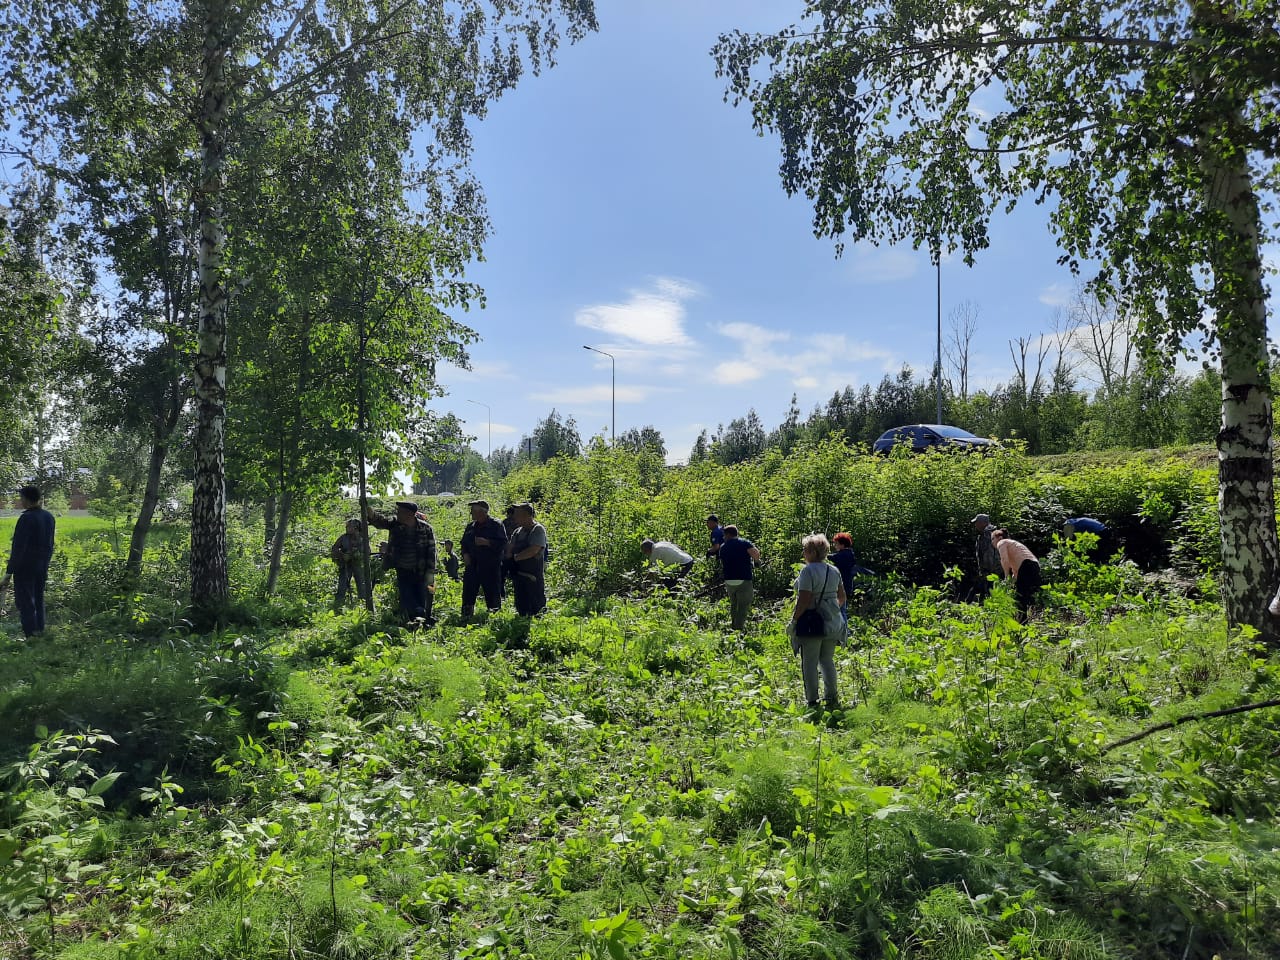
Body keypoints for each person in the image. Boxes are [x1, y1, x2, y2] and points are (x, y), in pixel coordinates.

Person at [788, 533, 846, 711]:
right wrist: (829, 610)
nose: (804, 553)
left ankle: (812, 701)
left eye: (805, 550)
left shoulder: (808, 571)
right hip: (833, 622)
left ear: (813, 552)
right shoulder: (834, 570)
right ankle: (831, 697)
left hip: (811, 624)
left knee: (810, 663)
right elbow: (842, 597)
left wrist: (794, 620)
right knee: (827, 660)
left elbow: (804, 599)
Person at [366, 500, 436, 623]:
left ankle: (424, 620)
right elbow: (380, 521)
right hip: (403, 569)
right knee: (406, 597)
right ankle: (410, 621)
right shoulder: (395, 524)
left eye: (400, 512)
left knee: (424, 595)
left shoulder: (425, 528)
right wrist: (368, 510)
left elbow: (431, 551)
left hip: (421, 570)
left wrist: (430, 571)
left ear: (409, 514)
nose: (397, 514)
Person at [1, 485, 56, 637]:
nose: (20, 501)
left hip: (25, 567)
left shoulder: (26, 518)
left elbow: (19, 547)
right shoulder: (48, 517)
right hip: (42, 565)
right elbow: (50, 545)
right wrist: (45, 563)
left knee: (25, 601)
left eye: (21, 498)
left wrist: (9, 572)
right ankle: (40, 631)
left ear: (26, 499)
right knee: (38, 598)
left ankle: (31, 636)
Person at [460, 499, 507, 617]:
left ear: (482, 512)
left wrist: (487, 542)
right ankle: (466, 617)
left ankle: (494, 617)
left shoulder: (496, 525)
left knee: (492, 594)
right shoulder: (470, 527)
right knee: (468, 593)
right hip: (472, 566)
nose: (471, 513)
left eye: (473, 511)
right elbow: (464, 544)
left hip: (490, 566)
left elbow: (503, 544)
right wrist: (465, 555)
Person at [990, 528, 1041, 623]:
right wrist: (1011, 583)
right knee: (1027, 595)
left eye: (993, 539)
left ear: (999, 537)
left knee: (1021, 597)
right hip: (1034, 566)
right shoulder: (1013, 546)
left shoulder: (1002, 542)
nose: (992, 542)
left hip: (1026, 565)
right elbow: (1016, 572)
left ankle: (1022, 622)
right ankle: (1032, 619)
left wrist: (1006, 577)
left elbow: (1004, 560)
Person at [507, 502, 548, 616]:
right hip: (518, 574)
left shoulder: (537, 529)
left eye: (517, 515)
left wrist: (515, 558)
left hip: (533, 576)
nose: (514, 517)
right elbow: (510, 548)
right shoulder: (517, 531)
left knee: (536, 605)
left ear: (527, 515)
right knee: (521, 605)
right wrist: (508, 560)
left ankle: (539, 624)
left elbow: (534, 549)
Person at [718, 525, 761, 630]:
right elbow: (755, 553)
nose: (723, 537)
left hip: (728, 580)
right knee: (743, 606)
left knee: (734, 604)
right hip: (743, 578)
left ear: (728, 535)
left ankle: (733, 627)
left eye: (724, 535)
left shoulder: (723, 547)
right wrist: (756, 562)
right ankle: (738, 630)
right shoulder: (744, 543)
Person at [330, 518, 371, 609]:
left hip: (359, 566)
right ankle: (338, 606)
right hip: (346, 565)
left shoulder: (363, 538)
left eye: (349, 526)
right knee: (342, 586)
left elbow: (368, 551)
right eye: (347, 526)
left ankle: (365, 606)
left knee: (362, 587)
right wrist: (342, 555)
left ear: (355, 528)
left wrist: (357, 555)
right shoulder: (343, 538)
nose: (347, 528)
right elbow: (334, 549)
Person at [829, 532, 858, 625]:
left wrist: (822, 555)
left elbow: (833, 557)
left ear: (842, 544)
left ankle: (844, 630)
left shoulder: (844, 555)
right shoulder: (849, 554)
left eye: (836, 543)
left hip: (842, 587)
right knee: (842, 609)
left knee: (841, 611)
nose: (835, 546)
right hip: (846, 586)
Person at [972, 514, 1002, 597]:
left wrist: (987, 572)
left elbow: (990, 554)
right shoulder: (984, 534)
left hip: (992, 571)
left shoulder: (989, 534)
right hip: (990, 571)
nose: (975, 525)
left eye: (977, 522)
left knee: (991, 592)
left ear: (983, 523)